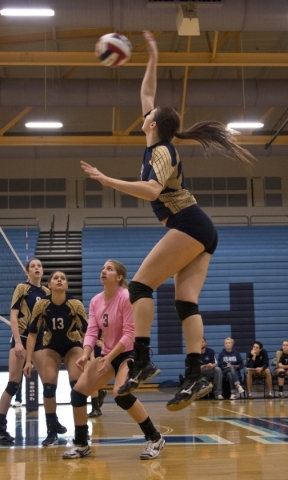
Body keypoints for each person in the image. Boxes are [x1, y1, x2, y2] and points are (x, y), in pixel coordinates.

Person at [81, 30, 255, 412]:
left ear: (155, 125)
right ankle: (195, 373)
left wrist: (107, 180)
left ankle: (142, 359)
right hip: (201, 229)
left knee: (141, 286)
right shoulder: (154, 140)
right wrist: (153, 56)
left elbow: (151, 191)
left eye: (150, 116)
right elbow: (147, 93)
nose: (145, 113)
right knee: (185, 303)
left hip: (189, 223)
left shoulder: (161, 152)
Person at [62, 259, 165, 460]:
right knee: (78, 393)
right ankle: (81, 444)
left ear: (119, 277)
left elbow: (130, 334)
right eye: (102, 268)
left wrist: (108, 358)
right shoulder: (95, 301)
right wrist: (85, 355)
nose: (103, 271)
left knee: (121, 394)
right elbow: (91, 331)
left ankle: (155, 438)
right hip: (107, 354)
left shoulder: (126, 297)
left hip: (128, 353)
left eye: (109, 269)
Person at [0, 258, 65, 443]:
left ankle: (51, 429)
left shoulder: (48, 292)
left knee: (48, 384)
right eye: (33, 266)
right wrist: (17, 342)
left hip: (40, 341)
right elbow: (14, 316)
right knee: (13, 384)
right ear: (27, 272)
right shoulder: (22, 288)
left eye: (40, 265)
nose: (37, 268)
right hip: (22, 338)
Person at [23, 270, 88, 447]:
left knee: (77, 387)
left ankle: (81, 430)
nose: (59, 280)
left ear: (66, 285)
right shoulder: (42, 305)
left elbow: (86, 332)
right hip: (51, 346)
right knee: (49, 386)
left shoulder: (75, 304)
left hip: (72, 345)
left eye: (63, 278)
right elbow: (32, 334)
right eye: (55, 278)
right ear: (49, 285)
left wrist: (88, 356)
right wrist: (28, 360)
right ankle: (51, 430)